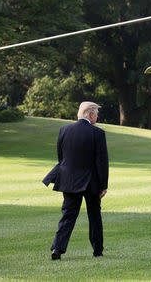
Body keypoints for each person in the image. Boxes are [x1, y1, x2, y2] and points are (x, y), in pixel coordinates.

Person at [43, 102, 109, 260]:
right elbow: (102, 162)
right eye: (97, 114)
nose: (97, 117)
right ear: (91, 114)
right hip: (91, 182)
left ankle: (57, 249)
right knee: (94, 216)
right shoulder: (98, 133)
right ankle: (97, 250)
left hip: (69, 180)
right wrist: (103, 185)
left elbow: (61, 157)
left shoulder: (64, 130)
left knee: (68, 216)